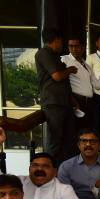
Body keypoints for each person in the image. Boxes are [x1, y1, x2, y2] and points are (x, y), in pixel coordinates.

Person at [35, 28, 77, 161]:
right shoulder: (43, 53)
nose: (62, 45)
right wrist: (69, 69)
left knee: (68, 140)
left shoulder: (54, 56)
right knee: (56, 141)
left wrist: (72, 100)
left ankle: (64, 170)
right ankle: (49, 170)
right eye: (61, 42)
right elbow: (57, 76)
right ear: (56, 40)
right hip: (53, 103)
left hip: (64, 102)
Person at [57, 129, 100, 199]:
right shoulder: (66, 167)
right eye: (84, 141)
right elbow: (64, 196)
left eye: (93, 141)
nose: (88, 144)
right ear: (78, 145)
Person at [61, 35, 100, 129]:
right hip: (74, 100)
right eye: (71, 46)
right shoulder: (64, 59)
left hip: (89, 102)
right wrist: (70, 100)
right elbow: (59, 80)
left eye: (76, 46)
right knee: (75, 132)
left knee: (88, 130)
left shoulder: (86, 65)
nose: (74, 49)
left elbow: (97, 85)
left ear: (82, 47)